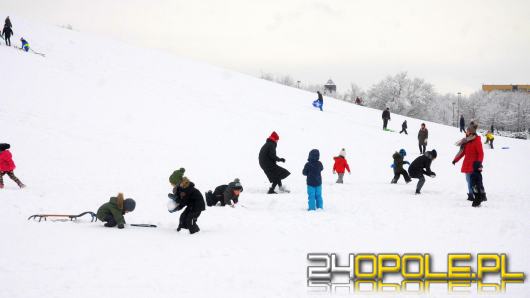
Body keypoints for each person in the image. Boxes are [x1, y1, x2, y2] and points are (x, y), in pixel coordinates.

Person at [452, 121, 484, 202]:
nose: (467, 132)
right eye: (467, 130)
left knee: (472, 181)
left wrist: (479, 163)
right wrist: (455, 160)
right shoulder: (466, 141)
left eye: (468, 130)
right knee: (468, 181)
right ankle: (472, 194)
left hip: (474, 165)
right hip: (467, 164)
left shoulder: (476, 140)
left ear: (472, 131)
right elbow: (462, 152)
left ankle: (473, 195)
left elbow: (481, 153)